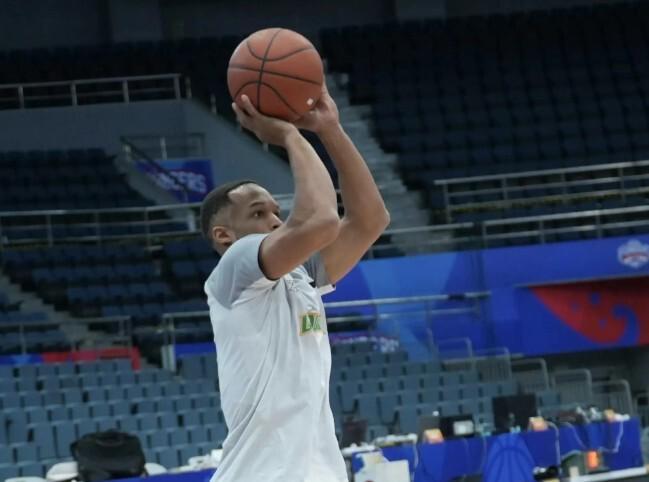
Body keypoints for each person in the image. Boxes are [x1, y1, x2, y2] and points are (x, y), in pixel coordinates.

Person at [200, 82, 390, 482]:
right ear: (224, 235)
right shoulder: (235, 266)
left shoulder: (300, 276)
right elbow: (320, 221)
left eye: (276, 211)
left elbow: (370, 220)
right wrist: (288, 134)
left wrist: (330, 129)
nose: (275, 220)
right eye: (258, 213)